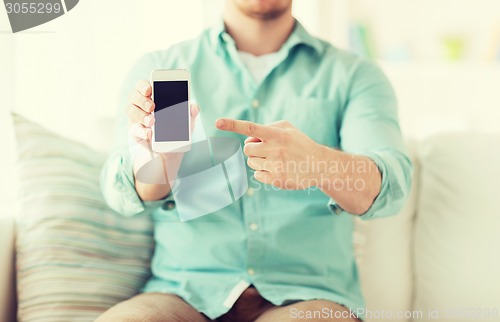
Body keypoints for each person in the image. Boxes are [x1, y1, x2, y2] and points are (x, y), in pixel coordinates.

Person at [98, 0, 412, 321]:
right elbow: (120, 194)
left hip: (305, 299)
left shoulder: (354, 75)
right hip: (184, 294)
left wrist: (318, 162)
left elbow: (391, 187)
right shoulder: (161, 66)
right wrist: (156, 164)